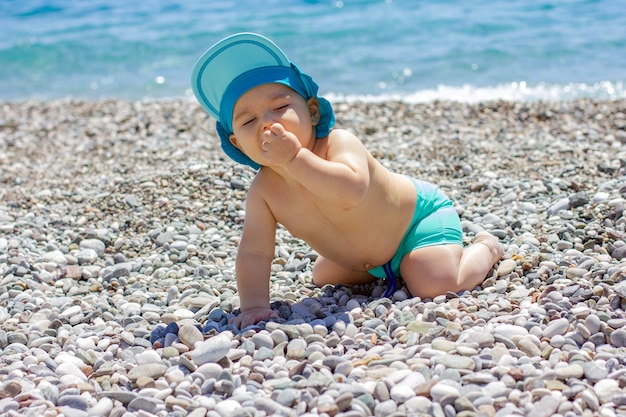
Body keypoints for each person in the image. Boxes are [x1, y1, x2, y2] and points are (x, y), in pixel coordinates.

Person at [191, 33, 504, 328]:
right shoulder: (264, 191)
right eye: (249, 121)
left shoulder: (338, 143)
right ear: (236, 144)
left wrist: (295, 159)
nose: (268, 123)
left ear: (312, 111)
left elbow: (351, 191)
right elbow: (254, 253)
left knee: (434, 284)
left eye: (281, 107)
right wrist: (254, 305)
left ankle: (486, 247)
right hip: (367, 258)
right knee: (322, 277)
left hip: (417, 221)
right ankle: (386, 269)